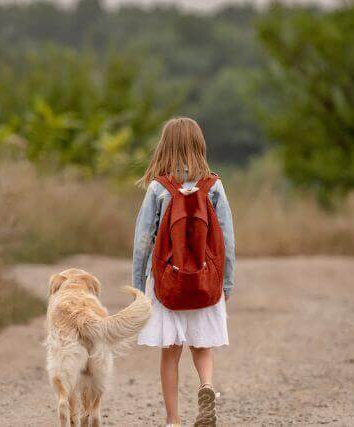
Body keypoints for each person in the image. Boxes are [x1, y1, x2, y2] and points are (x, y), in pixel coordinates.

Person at [132, 117, 236, 427]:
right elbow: (227, 241)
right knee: (202, 346)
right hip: (205, 281)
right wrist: (226, 283)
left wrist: (139, 287)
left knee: (170, 352)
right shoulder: (213, 185)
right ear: (200, 145)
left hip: (168, 283)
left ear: (164, 147)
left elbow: (142, 242)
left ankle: (173, 420)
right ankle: (206, 386)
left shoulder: (158, 188)